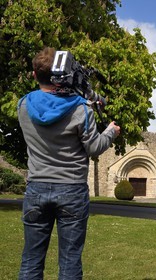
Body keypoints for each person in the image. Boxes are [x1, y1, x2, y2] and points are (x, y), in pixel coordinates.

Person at [17, 47, 120, 279]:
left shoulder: (23, 105)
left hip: (36, 188)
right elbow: (94, 148)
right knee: (70, 261)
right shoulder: (81, 109)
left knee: (31, 260)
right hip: (72, 190)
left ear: (34, 75)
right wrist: (111, 132)